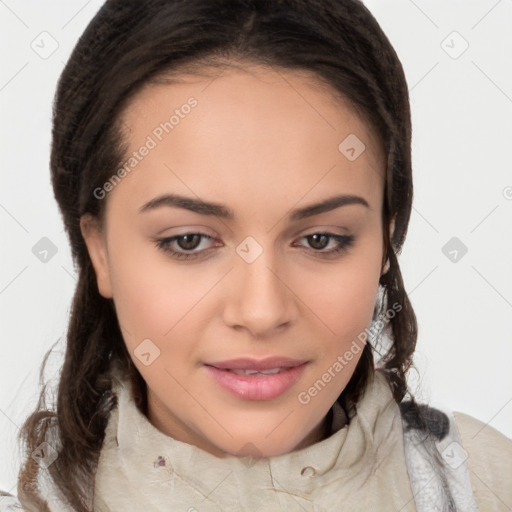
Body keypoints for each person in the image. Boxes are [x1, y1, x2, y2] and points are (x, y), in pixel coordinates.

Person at [2, 0, 510, 510]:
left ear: (384, 240)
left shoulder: (490, 487)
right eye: (189, 241)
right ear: (100, 251)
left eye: (321, 239)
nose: (261, 312)